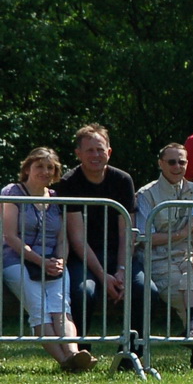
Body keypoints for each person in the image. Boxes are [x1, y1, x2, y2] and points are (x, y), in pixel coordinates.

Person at [2, 147, 98, 370]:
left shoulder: (56, 198)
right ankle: (65, 361)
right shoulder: (12, 192)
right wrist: (40, 261)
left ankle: (75, 354)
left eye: (50, 167)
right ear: (27, 168)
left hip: (51, 261)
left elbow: (62, 237)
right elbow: (10, 236)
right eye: (39, 166)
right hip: (16, 261)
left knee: (61, 308)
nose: (45, 172)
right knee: (40, 308)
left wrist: (60, 260)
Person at [135, 142, 193, 368]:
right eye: (171, 161)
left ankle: (192, 333)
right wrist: (182, 233)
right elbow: (144, 237)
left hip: (186, 254)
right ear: (161, 164)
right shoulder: (146, 194)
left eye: (182, 162)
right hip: (157, 257)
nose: (177, 166)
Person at [57, 124, 136, 340]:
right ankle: (79, 349)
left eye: (100, 149)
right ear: (78, 154)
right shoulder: (68, 183)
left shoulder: (122, 180)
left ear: (109, 152)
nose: (96, 155)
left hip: (118, 255)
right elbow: (77, 239)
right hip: (83, 257)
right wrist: (103, 277)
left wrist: (121, 270)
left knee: (145, 289)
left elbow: (127, 232)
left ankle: (133, 351)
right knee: (85, 292)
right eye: (90, 150)